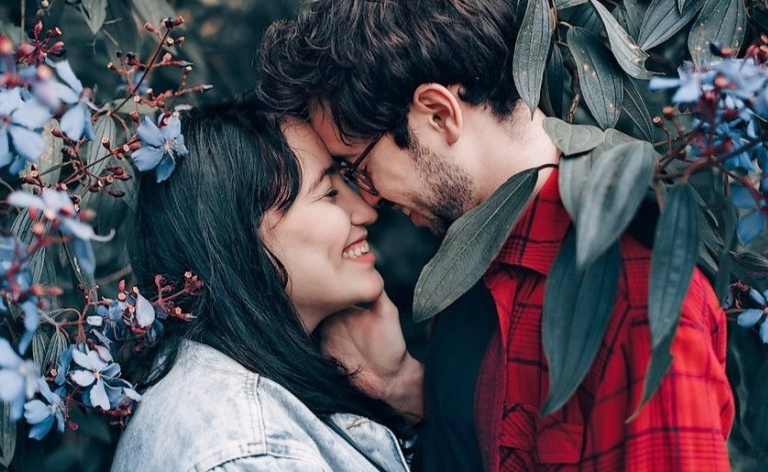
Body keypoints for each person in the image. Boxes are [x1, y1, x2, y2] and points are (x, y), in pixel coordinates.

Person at [256, 1, 734, 471]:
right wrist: (403, 390)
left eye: (356, 168)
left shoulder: (634, 303)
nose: (370, 202)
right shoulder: (466, 267)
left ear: (439, 115)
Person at [111, 100, 423, 471]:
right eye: (329, 192)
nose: (367, 211)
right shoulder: (252, 453)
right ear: (240, 239)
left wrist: (400, 387)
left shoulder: (231, 396)